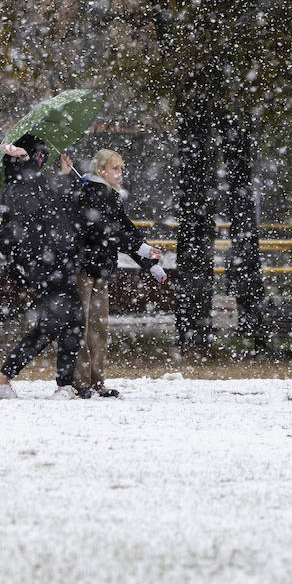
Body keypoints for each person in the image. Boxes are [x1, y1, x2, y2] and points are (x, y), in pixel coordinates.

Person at [0, 134, 85, 400]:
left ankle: (63, 385)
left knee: (70, 322)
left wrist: (65, 177)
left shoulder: (32, 183)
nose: (42, 161)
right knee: (53, 325)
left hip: (54, 264)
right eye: (37, 156)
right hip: (44, 267)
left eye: (42, 157)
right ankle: (3, 379)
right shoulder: (20, 185)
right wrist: (25, 160)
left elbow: (58, 212)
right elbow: (46, 217)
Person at [71, 149, 166, 399]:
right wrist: (140, 248)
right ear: (100, 170)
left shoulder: (112, 197)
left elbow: (128, 232)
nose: (120, 173)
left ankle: (97, 381)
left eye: (121, 168)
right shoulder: (87, 194)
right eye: (115, 168)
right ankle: (80, 383)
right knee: (81, 326)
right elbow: (103, 231)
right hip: (82, 269)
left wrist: (150, 263)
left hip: (102, 270)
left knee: (99, 328)